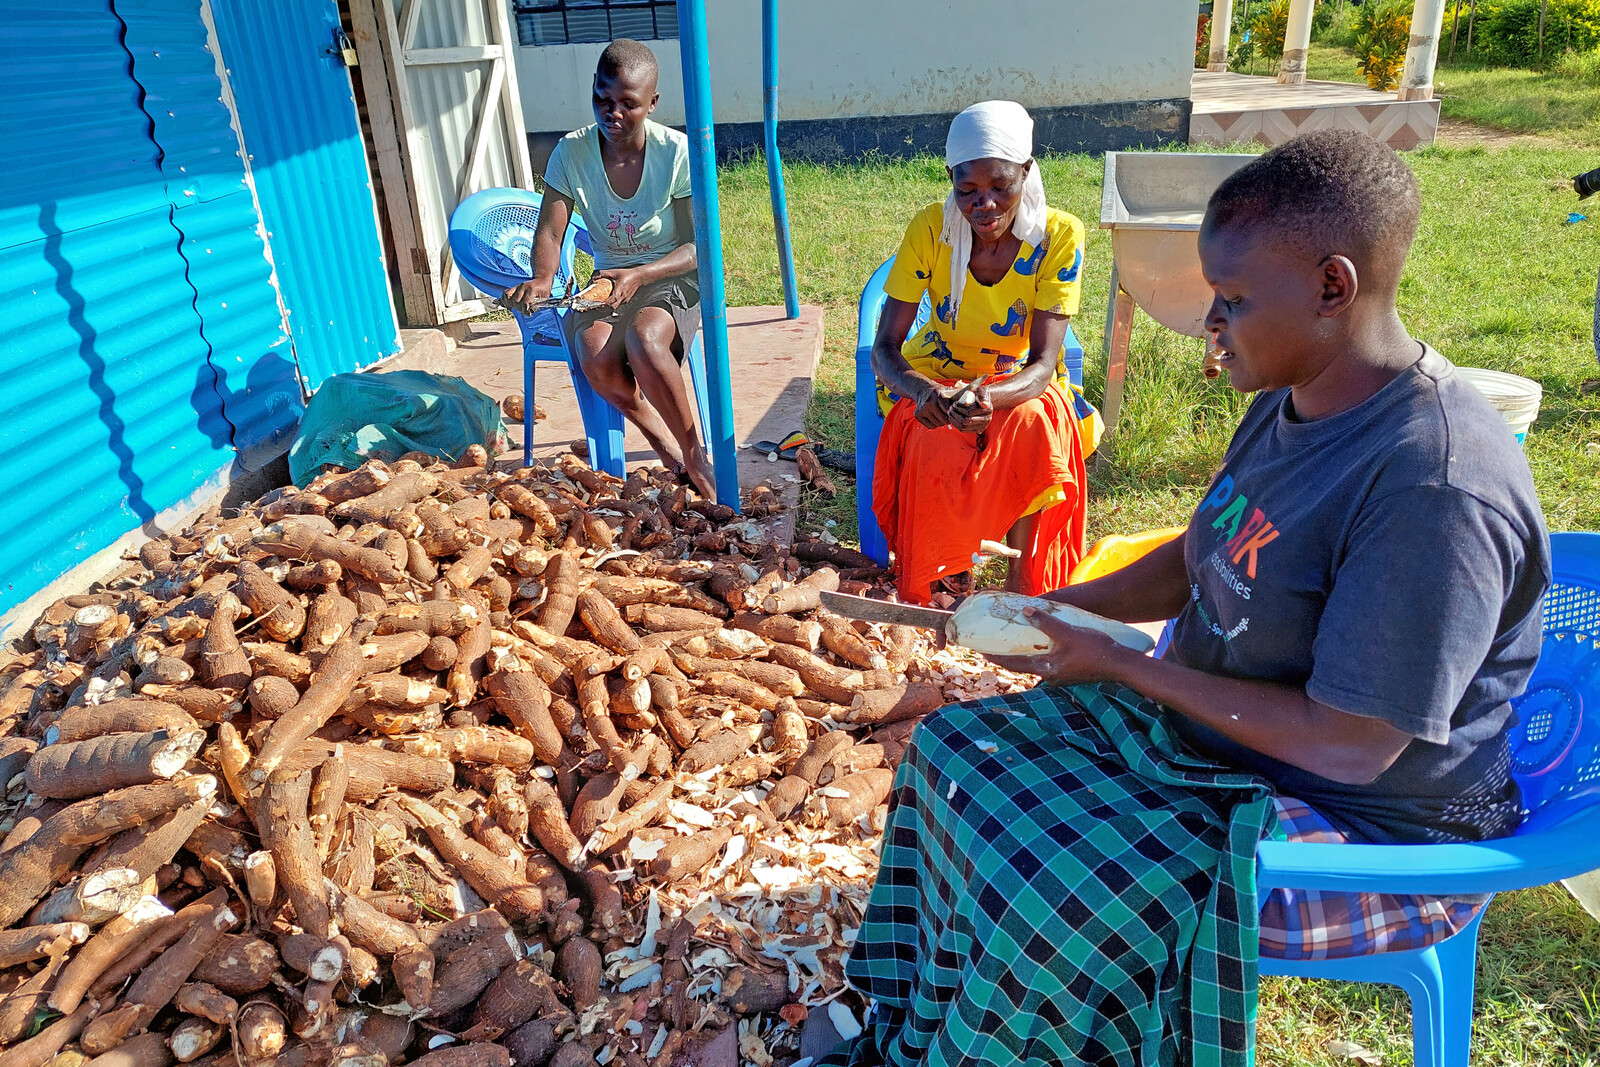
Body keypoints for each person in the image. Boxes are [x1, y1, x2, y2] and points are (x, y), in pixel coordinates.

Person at [819, 131, 1550, 1066]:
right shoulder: (1295, 395)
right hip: (1230, 749)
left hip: (1367, 825)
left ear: (1334, 287)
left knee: (1058, 892)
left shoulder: (1433, 486)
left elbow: (1349, 742)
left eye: (1235, 300)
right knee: (957, 754)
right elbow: (1197, 552)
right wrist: (1068, 610)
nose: (1212, 319)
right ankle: (911, 1020)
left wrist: (1124, 663)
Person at [869, 101, 1091, 605]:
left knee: (1035, 426)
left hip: (1015, 375)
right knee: (934, 436)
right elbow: (884, 348)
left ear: (1027, 173)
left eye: (1001, 188)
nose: (983, 205)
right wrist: (923, 391)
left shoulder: (1059, 235)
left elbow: (1044, 363)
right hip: (937, 372)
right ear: (950, 178)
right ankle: (942, 577)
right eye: (967, 190)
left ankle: (1025, 592)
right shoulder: (931, 228)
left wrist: (988, 397)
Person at [505, 40, 712, 498]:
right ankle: (662, 440)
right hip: (608, 282)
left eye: (628, 103)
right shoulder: (571, 153)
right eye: (602, 97)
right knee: (594, 352)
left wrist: (641, 274)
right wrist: (542, 278)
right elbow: (551, 232)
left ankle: (694, 453)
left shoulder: (676, 154)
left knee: (645, 339)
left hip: (668, 277)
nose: (611, 112)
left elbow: (699, 249)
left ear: (652, 104)